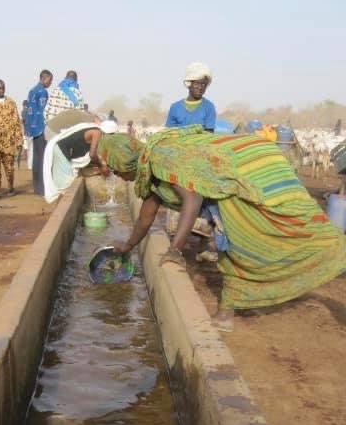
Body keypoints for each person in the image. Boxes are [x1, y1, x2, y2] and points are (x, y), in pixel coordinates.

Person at [97, 126, 346, 332]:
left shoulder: (161, 159)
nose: (118, 176)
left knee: (260, 236)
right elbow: (146, 216)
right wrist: (127, 247)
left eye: (116, 169)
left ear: (125, 160)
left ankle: (227, 313)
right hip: (233, 177)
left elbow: (192, 199)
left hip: (244, 172)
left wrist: (174, 250)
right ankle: (232, 307)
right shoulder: (148, 169)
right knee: (245, 241)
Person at [43, 120, 118, 203]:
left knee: (67, 186)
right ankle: (60, 211)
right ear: (110, 133)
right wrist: (101, 167)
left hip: (64, 151)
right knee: (66, 187)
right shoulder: (97, 133)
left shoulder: (97, 131)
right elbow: (92, 155)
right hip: (60, 152)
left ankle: (62, 208)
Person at [165, 62, 216, 131]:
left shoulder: (209, 107)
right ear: (189, 84)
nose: (200, 87)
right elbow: (169, 134)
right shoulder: (175, 108)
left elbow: (209, 135)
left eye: (204, 84)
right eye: (197, 83)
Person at [26, 69, 53, 195]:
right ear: (45, 78)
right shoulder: (43, 92)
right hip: (41, 128)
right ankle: (42, 188)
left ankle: (37, 187)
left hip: (33, 128)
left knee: (36, 159)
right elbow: (44, 111)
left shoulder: (32, 90)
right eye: (50, 81)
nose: (50, 83)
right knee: (43, 159)